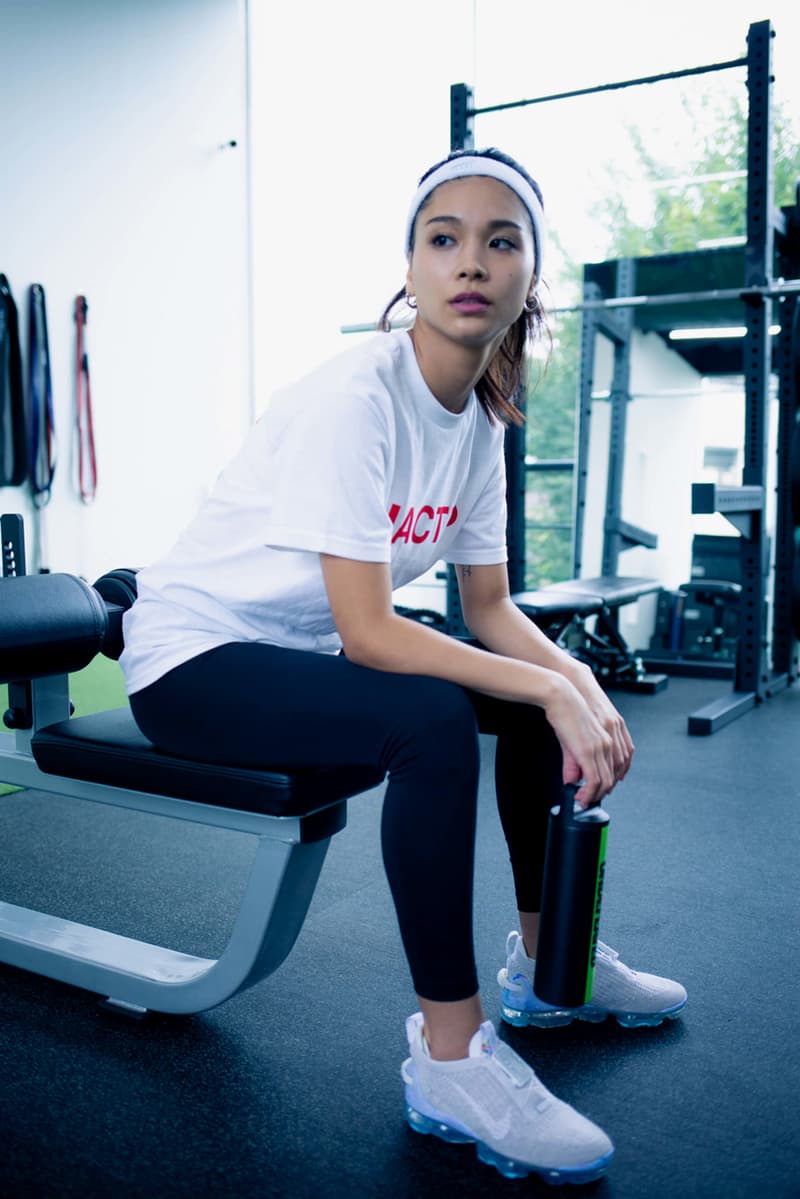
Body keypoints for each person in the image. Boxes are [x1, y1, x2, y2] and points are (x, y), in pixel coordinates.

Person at [120, 147, 686, 1186]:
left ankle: (545, 961)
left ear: (527, 278)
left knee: (516, 708)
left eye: (498, 240)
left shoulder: (475, 424)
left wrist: (578, 687)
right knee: (430, 715)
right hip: (189, 656)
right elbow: (372, 631)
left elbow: (489, 608)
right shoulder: (358, 397)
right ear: (411, 269)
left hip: (291, 652)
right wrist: (552, 684)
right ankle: (448, 1059)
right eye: (443, 238)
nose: (469, 260)